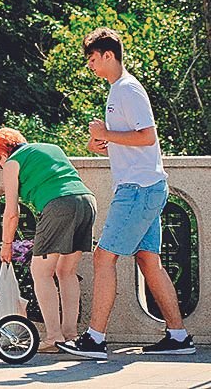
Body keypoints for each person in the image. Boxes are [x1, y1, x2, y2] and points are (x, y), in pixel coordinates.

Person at [58, 27, 195, 359]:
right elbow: (130, 144)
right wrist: (101, 141)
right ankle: (178, 337)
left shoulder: (127, 90)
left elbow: (148, 137)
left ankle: (95, 339)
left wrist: (106, 133)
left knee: (105, 257)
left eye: (92, 59)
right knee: (149, 261)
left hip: (138, 190)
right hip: (145, 186)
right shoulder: (118, 92)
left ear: (108, 55)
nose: (90, 66)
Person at [0, 128, 96, 353]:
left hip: (58, 206)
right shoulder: (51, 148)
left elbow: (11, 212)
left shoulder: (12, 163)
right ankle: (70, 335)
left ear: (1, 154)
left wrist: (6, 245)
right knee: (66, 271)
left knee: (40, 272)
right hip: (87, 202)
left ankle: (54, 337)